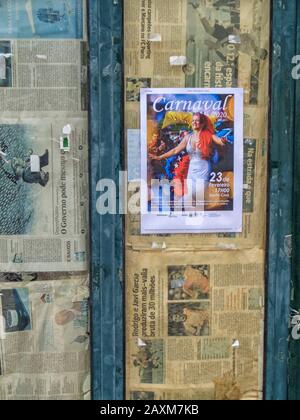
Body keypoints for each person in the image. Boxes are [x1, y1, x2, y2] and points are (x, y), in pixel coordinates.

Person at [150, 113, 226, 208]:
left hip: (203, 169)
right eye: (193, 120)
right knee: (190, 199)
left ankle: (177, 207)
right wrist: (159, 157)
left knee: (195, 195)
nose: (194, 122)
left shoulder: (209, 135)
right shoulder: (188, 137)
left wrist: (222, 141)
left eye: (197, 120)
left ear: (202, 123)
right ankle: (181, 213)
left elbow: (219, 141)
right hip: (191, 171)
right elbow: (175, 150)